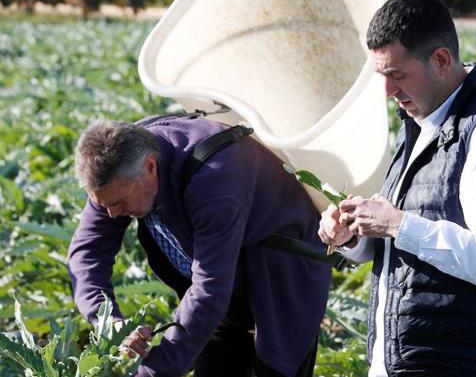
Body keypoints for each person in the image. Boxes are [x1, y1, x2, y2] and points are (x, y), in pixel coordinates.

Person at [318, 0, 476, 376]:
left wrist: (397, 224)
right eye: (382, 76)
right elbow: (409, 244)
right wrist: (354, 236)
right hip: (410, 358)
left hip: (460, 363)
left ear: (440, 60)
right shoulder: (420, 124)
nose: (388, 91)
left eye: (397, 75)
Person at [67, 114, 331, 377]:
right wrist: (109, 322)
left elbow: (210, 290)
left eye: (118, 203)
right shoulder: (117, 173)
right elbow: (87, 254)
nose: (111, 214)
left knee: (276, 366)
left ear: (149, 166)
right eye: (102, 205)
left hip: (278, 279)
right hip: (216, 293)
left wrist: (153, 371)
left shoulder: (213, 180)